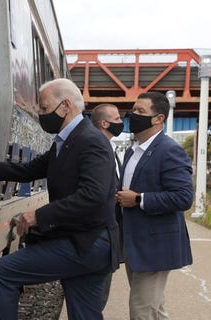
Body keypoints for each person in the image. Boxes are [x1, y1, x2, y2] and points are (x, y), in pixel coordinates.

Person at [0, 78, 120, 320]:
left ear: (65, 106)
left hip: (87, 243)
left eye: (45, 108)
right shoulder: (68, 141)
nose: (41, 114)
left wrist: (39, 215)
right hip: (88, 243)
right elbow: (27, 171)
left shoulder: (90, 141)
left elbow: (93, 195)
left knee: (2, 272)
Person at [116, 92, 193, 320]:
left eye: (140, 111)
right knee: (154, 311)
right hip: (136, 244)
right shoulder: (132, 151)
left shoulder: (169, 150)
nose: (133, 115)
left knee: (141, 312)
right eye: (133, 109)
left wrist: (139, 199)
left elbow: (183, 197)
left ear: (158, 118)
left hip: (155, 247)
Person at [91, 103, 125, 310]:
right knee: (94, 297)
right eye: (118, 119)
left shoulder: (110, 149)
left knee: (99, 295)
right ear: (104, 123)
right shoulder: (97, 148)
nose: (122, 122)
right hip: (97, 234)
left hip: (109, 234)